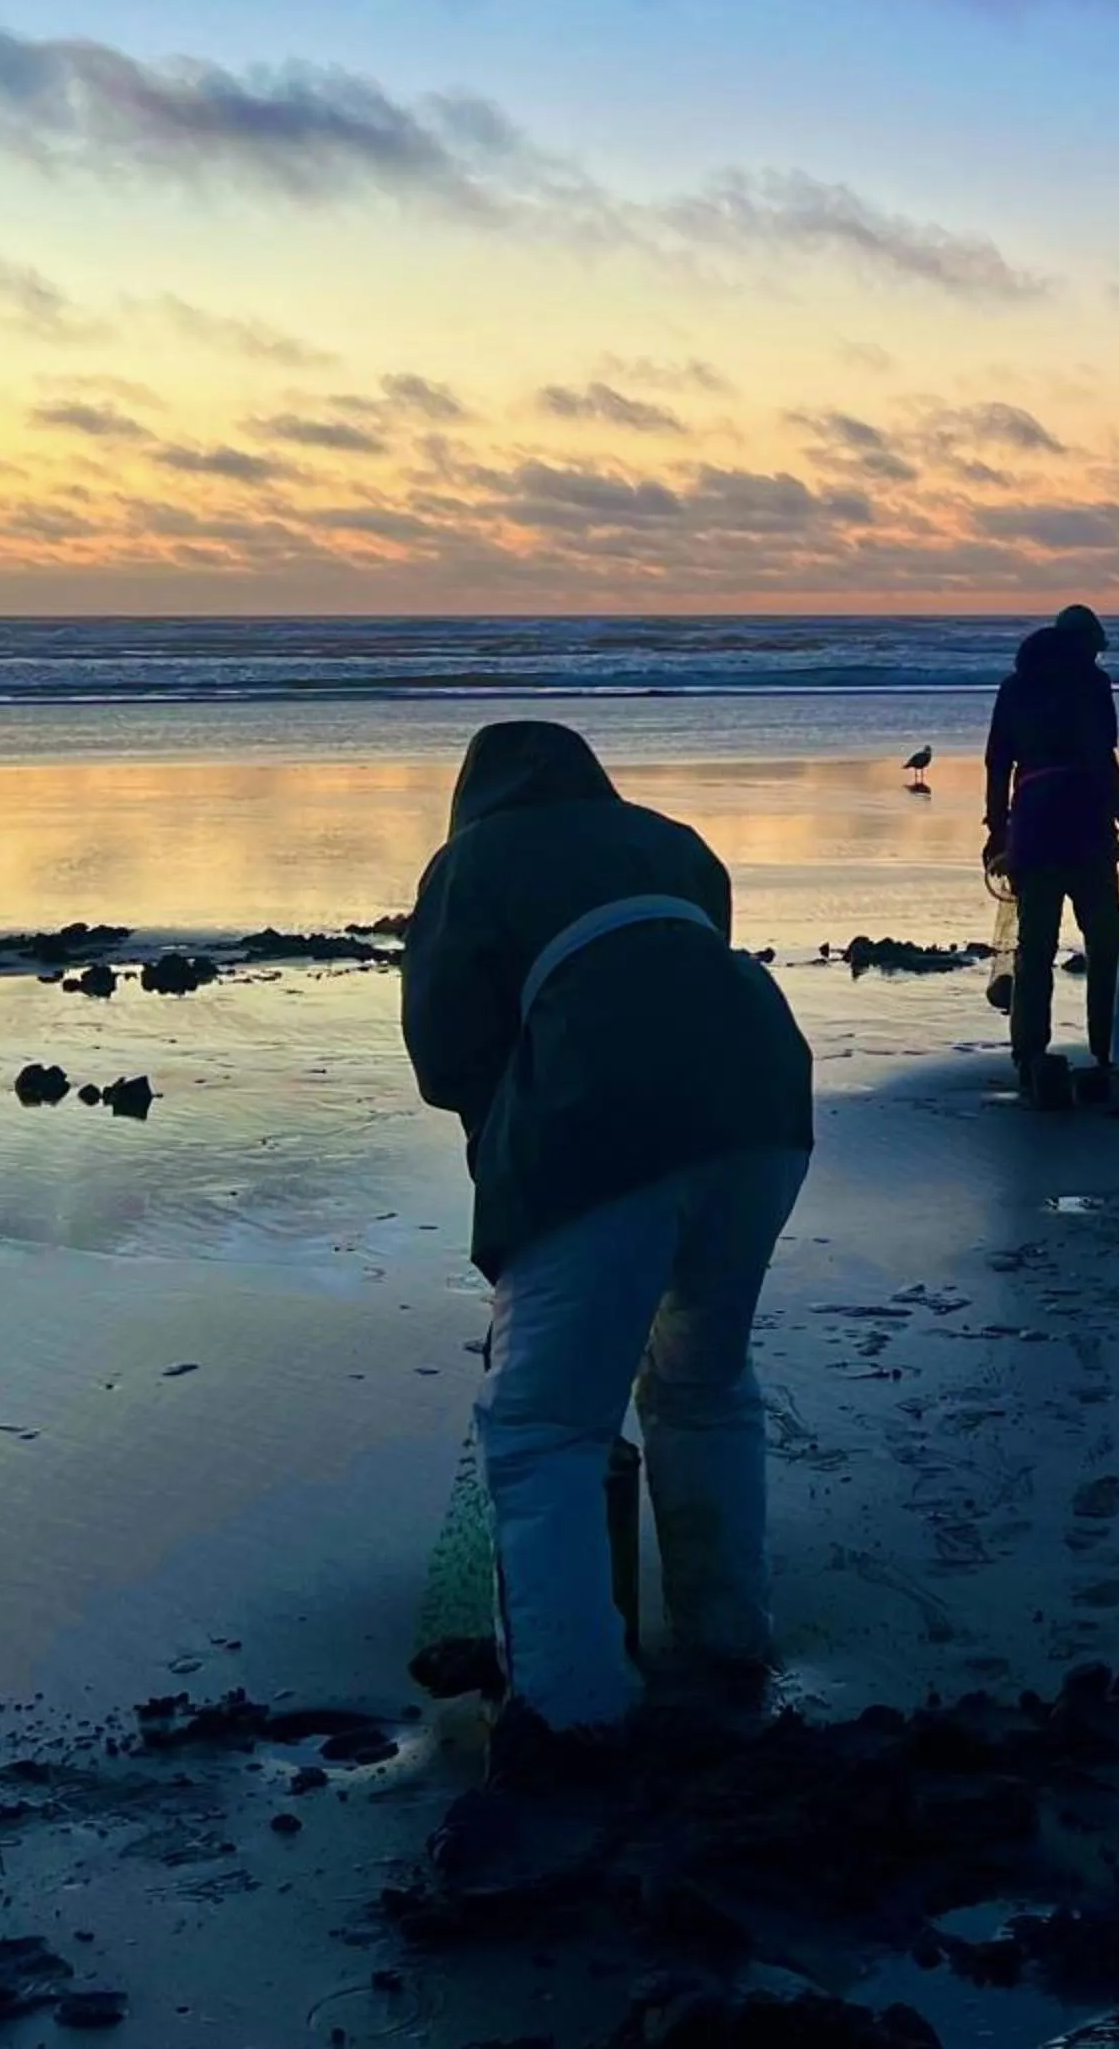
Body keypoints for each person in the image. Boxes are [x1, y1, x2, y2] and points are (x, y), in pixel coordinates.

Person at [402, 719, 813, 1779]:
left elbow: (449, 1058)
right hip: (764, 1097)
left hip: (599, 1116)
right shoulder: (675, 841)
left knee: (542, 1427)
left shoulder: (472, 861)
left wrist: (515, 1162)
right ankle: (729, 1641)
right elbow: (673, 969)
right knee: (705, 1381)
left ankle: (574, 1711)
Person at [983, 603, 1119, 1101]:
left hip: (1032, 824)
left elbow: (997, 763)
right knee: (1105, 940)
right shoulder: (1090, 685)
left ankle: (1029, 1053)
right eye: (1096, 648)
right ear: (1085, 644)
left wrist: (998, 832)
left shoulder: (1015, 687)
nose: (1098, 657)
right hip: (1084, 822)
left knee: (1035, 948)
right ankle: (1107, 1047)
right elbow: (1101, 757)